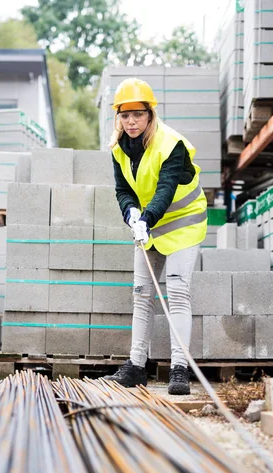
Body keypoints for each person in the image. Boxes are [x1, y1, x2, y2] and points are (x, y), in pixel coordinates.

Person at [104, 78, 207, 395]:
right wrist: (131, 214)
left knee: (176, 293)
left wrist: (145, 217)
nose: (131, 121)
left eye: (137, 114)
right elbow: (124, 191)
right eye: (125, 115)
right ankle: (136, 366)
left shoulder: (171, 144)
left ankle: (179, 369)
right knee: (141, 294)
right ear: (118, 118)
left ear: (150, 115)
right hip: (149, 224)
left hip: (184, 223)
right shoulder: (119, 149)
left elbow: (165, 189)